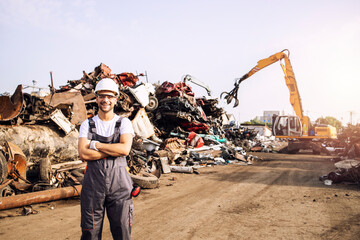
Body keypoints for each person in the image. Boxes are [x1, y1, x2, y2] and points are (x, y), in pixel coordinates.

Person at [78, 78, 135, 240]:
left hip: (120, 189)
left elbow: (124, 149)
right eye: (102, 96)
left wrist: (96, 145)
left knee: (122, 233)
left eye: (110, 96)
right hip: (92, 189)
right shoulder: (87, 124)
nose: (106, 100)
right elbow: (83, 153)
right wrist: (113, 149)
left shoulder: (124, 123)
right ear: (96, 98)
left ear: (116, 98)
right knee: (90, 234)